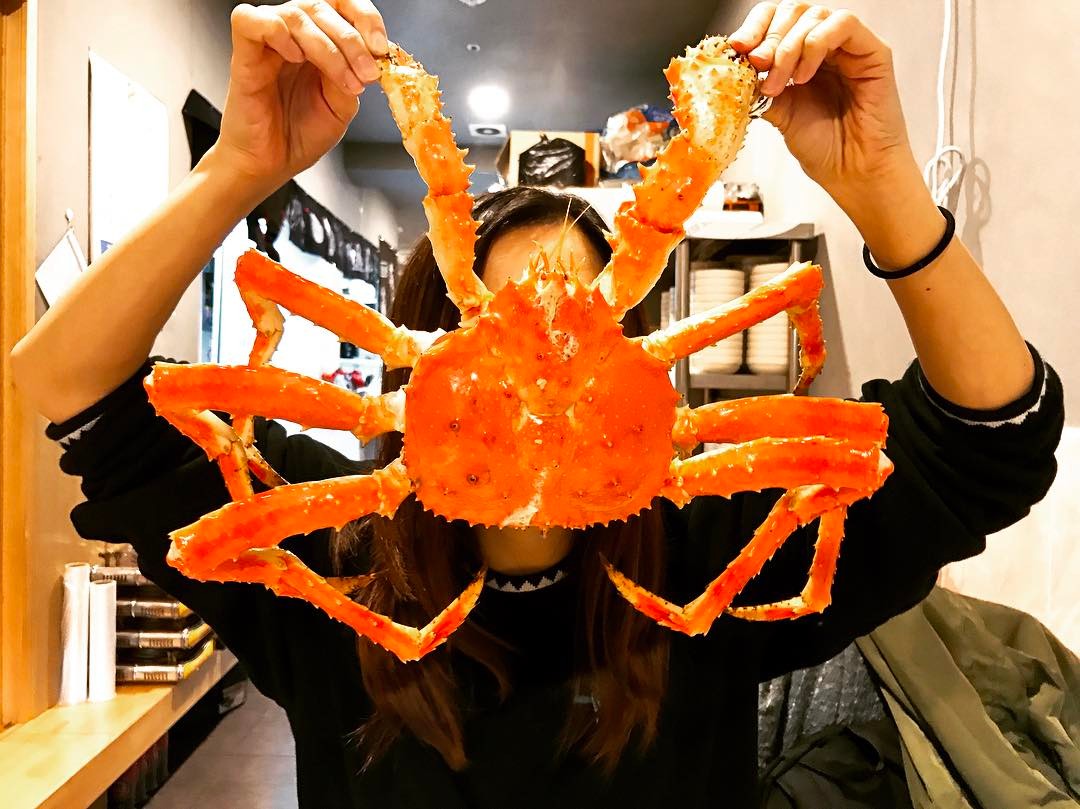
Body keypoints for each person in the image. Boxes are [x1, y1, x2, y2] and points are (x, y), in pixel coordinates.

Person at [11, 1, 1064, 807]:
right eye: (498, 318)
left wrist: (884, 184)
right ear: (417, 353)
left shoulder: (713, 552)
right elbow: (67, 385)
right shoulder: (338, 563)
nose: (543, 367)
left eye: (588, 324)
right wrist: (235, 169)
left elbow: (990, 445)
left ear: (645, 351)